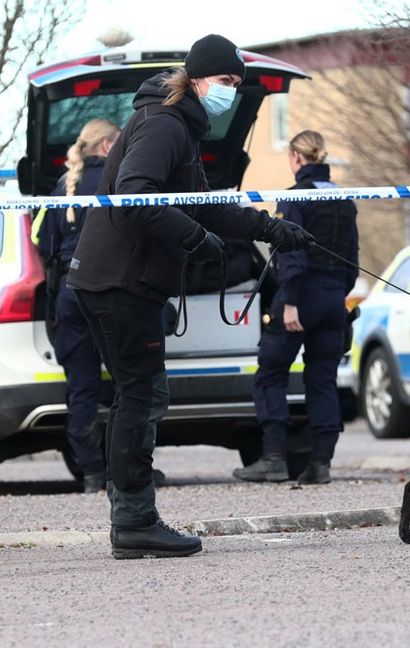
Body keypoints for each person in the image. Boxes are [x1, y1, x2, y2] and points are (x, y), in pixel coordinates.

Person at [67, 34, 314, 559]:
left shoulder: (177, 122)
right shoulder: (163, 124)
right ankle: (134, 522)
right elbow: (135, 196)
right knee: (140, 397)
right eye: (225, 82)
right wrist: (194, 240)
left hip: (120, 281)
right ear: (198, 79)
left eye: (236, 85)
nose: (230, 92)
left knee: (139, 395)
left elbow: (203, 205)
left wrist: (270, 228)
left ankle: (133, 519)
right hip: (119, 283)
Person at [234, 130, 359, 486]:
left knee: (271, 374)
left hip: (300, 298)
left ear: (296, 159)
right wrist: (338, 295)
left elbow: (292, 255)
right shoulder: (346, 200)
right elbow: (353, 258)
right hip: (334, 300)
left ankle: (273, 458)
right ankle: (321, 463)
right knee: (322, 381)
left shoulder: (294, 199)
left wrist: (288, 303)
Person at [32, 118, 120, 494]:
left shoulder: (60, 189)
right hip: (112, 290)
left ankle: (93, 474)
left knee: (81, 389)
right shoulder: (118, 184)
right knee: (129, 385)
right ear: (105, 147)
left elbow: (41, 242)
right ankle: (127, 470)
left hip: (71, 292)